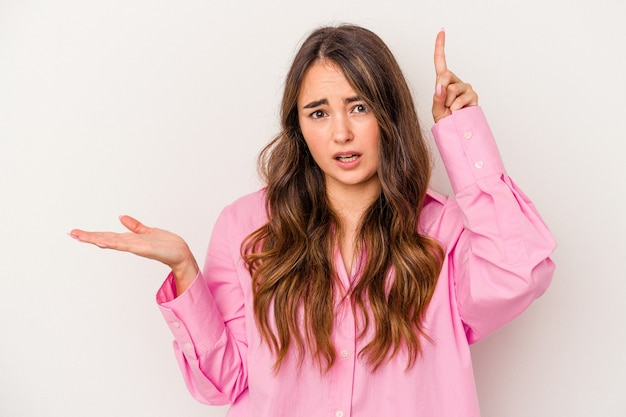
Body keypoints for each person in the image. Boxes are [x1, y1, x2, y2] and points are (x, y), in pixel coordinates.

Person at [70, 25, 556, 417]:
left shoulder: (442, 229)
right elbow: (222, 383)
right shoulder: (245, 229)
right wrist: (184, 272)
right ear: (298, 127)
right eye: (319, 112)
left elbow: (518, 274)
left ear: (388, 114)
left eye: (359, 106)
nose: (341, 132)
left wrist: (463, 133)